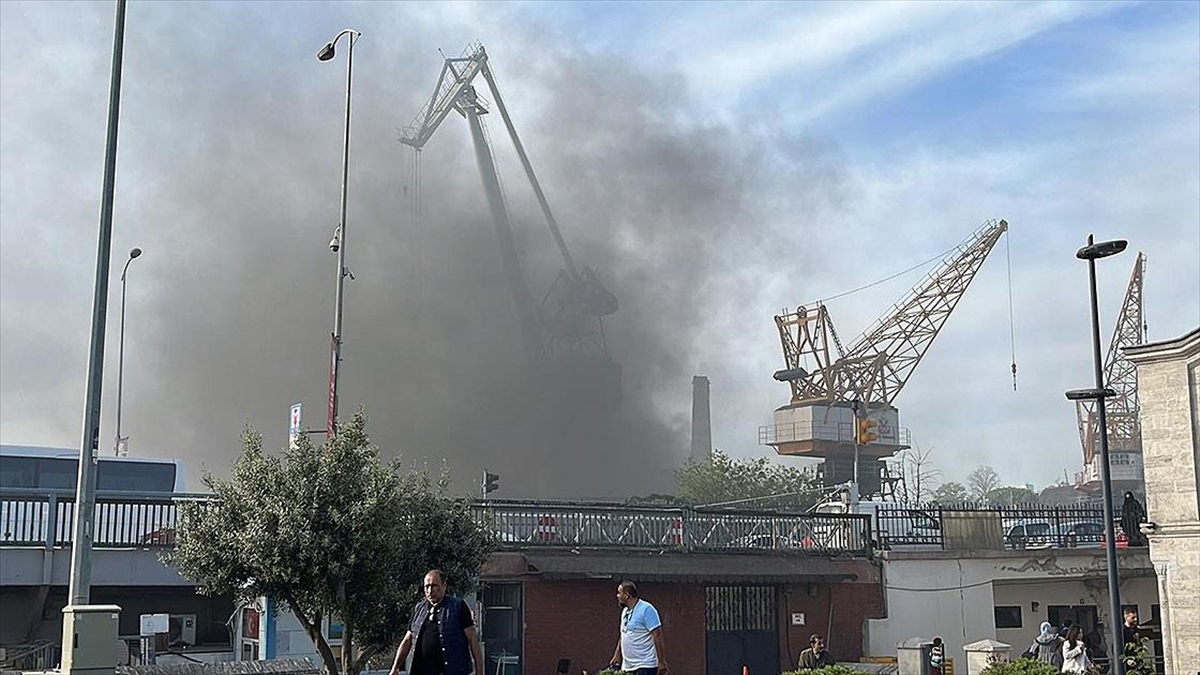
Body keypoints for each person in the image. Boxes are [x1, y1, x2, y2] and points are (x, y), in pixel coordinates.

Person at [388, 570, 484, 675]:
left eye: (434, 586)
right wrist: (395, 668)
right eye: (427, 586)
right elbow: (407, 640)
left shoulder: (458, 607)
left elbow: (472, 639)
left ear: (444, 586)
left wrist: (480, 671)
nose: (430, 590)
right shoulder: (419, 608)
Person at [609, 580, 669, 675]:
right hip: (628, 666)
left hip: (645, 665)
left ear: (627, 595)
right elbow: (623, 634)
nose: (617, 596)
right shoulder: (625, 612)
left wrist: (661, 661)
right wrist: (617, 655)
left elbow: (657, 635)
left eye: (619, 593)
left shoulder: (646, 609)